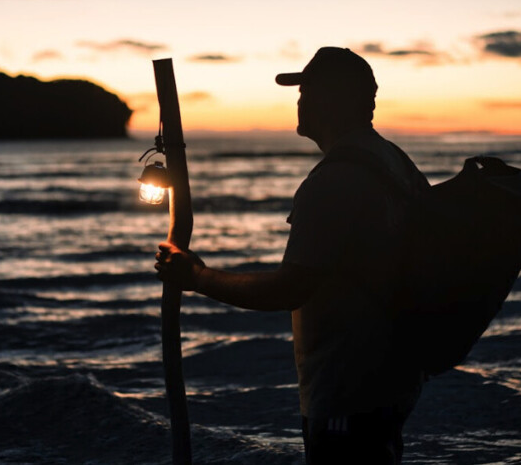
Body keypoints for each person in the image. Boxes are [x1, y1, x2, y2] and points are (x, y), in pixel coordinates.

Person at [154, 47, 431, 464]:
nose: (298, 101)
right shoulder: (396, 163)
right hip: (391, 380)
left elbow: (290, 288)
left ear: (331, 100)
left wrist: (199, 278)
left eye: (306, 91)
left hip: (347, 391)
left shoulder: (334, 181)